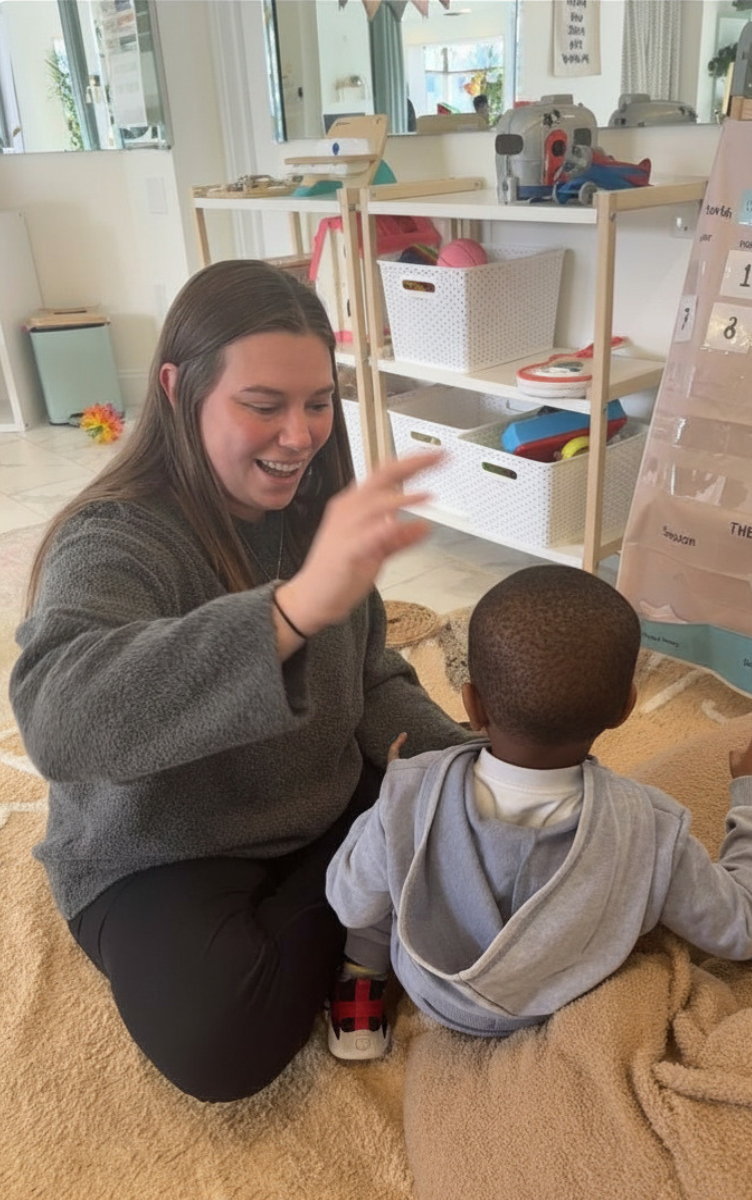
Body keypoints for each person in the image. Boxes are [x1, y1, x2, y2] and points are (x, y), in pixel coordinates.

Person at [9, 259, 474, 1103]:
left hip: (320, 801)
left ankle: (371, 882)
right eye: (263, 405)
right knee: (219, 1044)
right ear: (177, 390)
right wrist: (288, 613)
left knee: (489, 825)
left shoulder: (315, 510)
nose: (299, 435)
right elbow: (57, 721)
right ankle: (372, 897)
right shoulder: (115, 536)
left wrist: (465, 762)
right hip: (163, 847)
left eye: (318, 403)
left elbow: (372, 677)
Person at [325, 565, 752, 1059]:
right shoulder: (650, 827)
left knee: (386, 871)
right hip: (548, 1005)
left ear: (472, 705)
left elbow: (350, 902)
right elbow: (744, 926)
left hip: (432, 993)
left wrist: (395, 795)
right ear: (626, 708)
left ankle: (361, 981)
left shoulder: (412, 789)